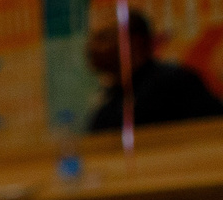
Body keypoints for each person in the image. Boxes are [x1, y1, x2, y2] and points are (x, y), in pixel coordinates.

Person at [88, 13, 223, 133]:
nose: (93, 46)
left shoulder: (174, 84)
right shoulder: (116, 95)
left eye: (103, 38)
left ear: (134, 42)